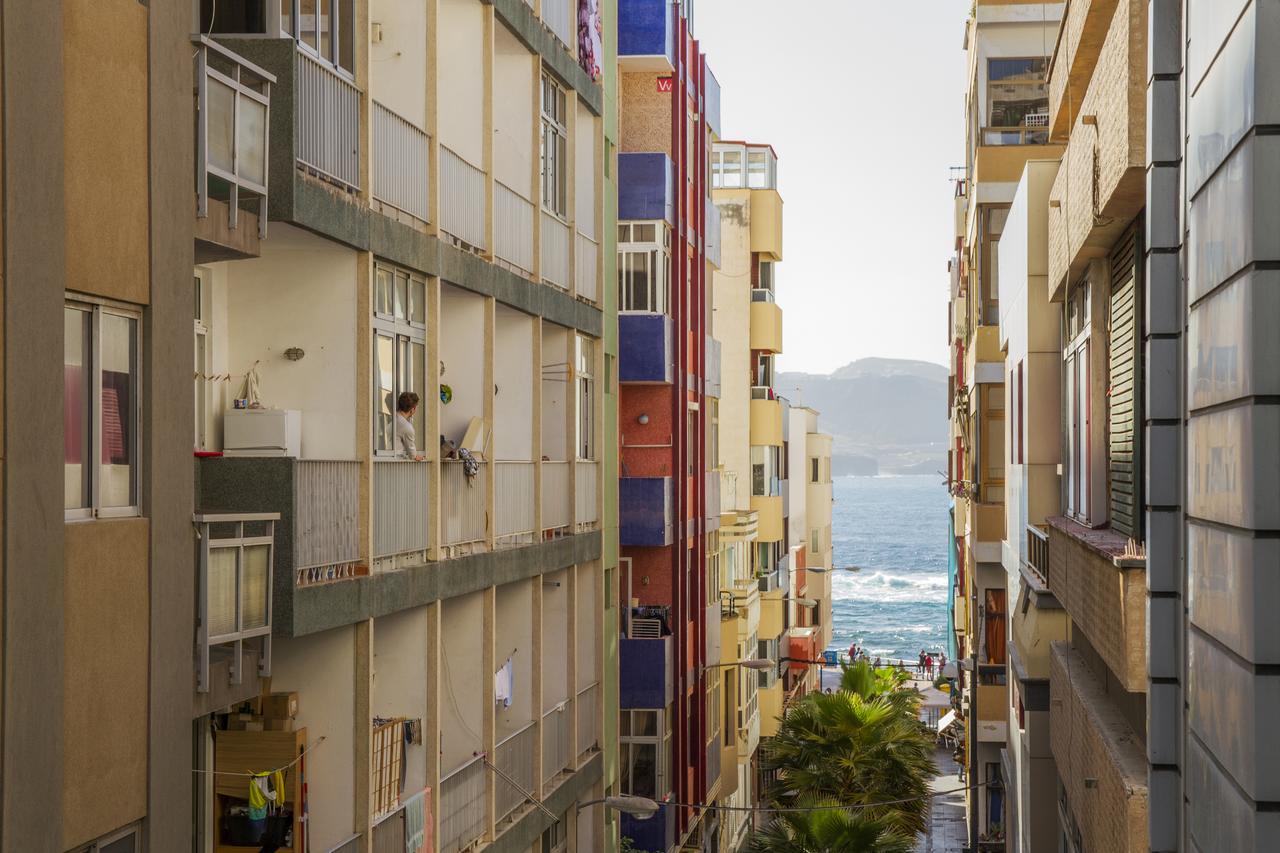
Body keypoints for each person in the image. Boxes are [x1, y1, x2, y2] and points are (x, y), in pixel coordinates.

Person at [395, 392, 424, 461]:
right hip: (396, 464)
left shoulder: (393, 418)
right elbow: (412, 454)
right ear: (413, 409)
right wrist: (416, 456)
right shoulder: (406, 426)